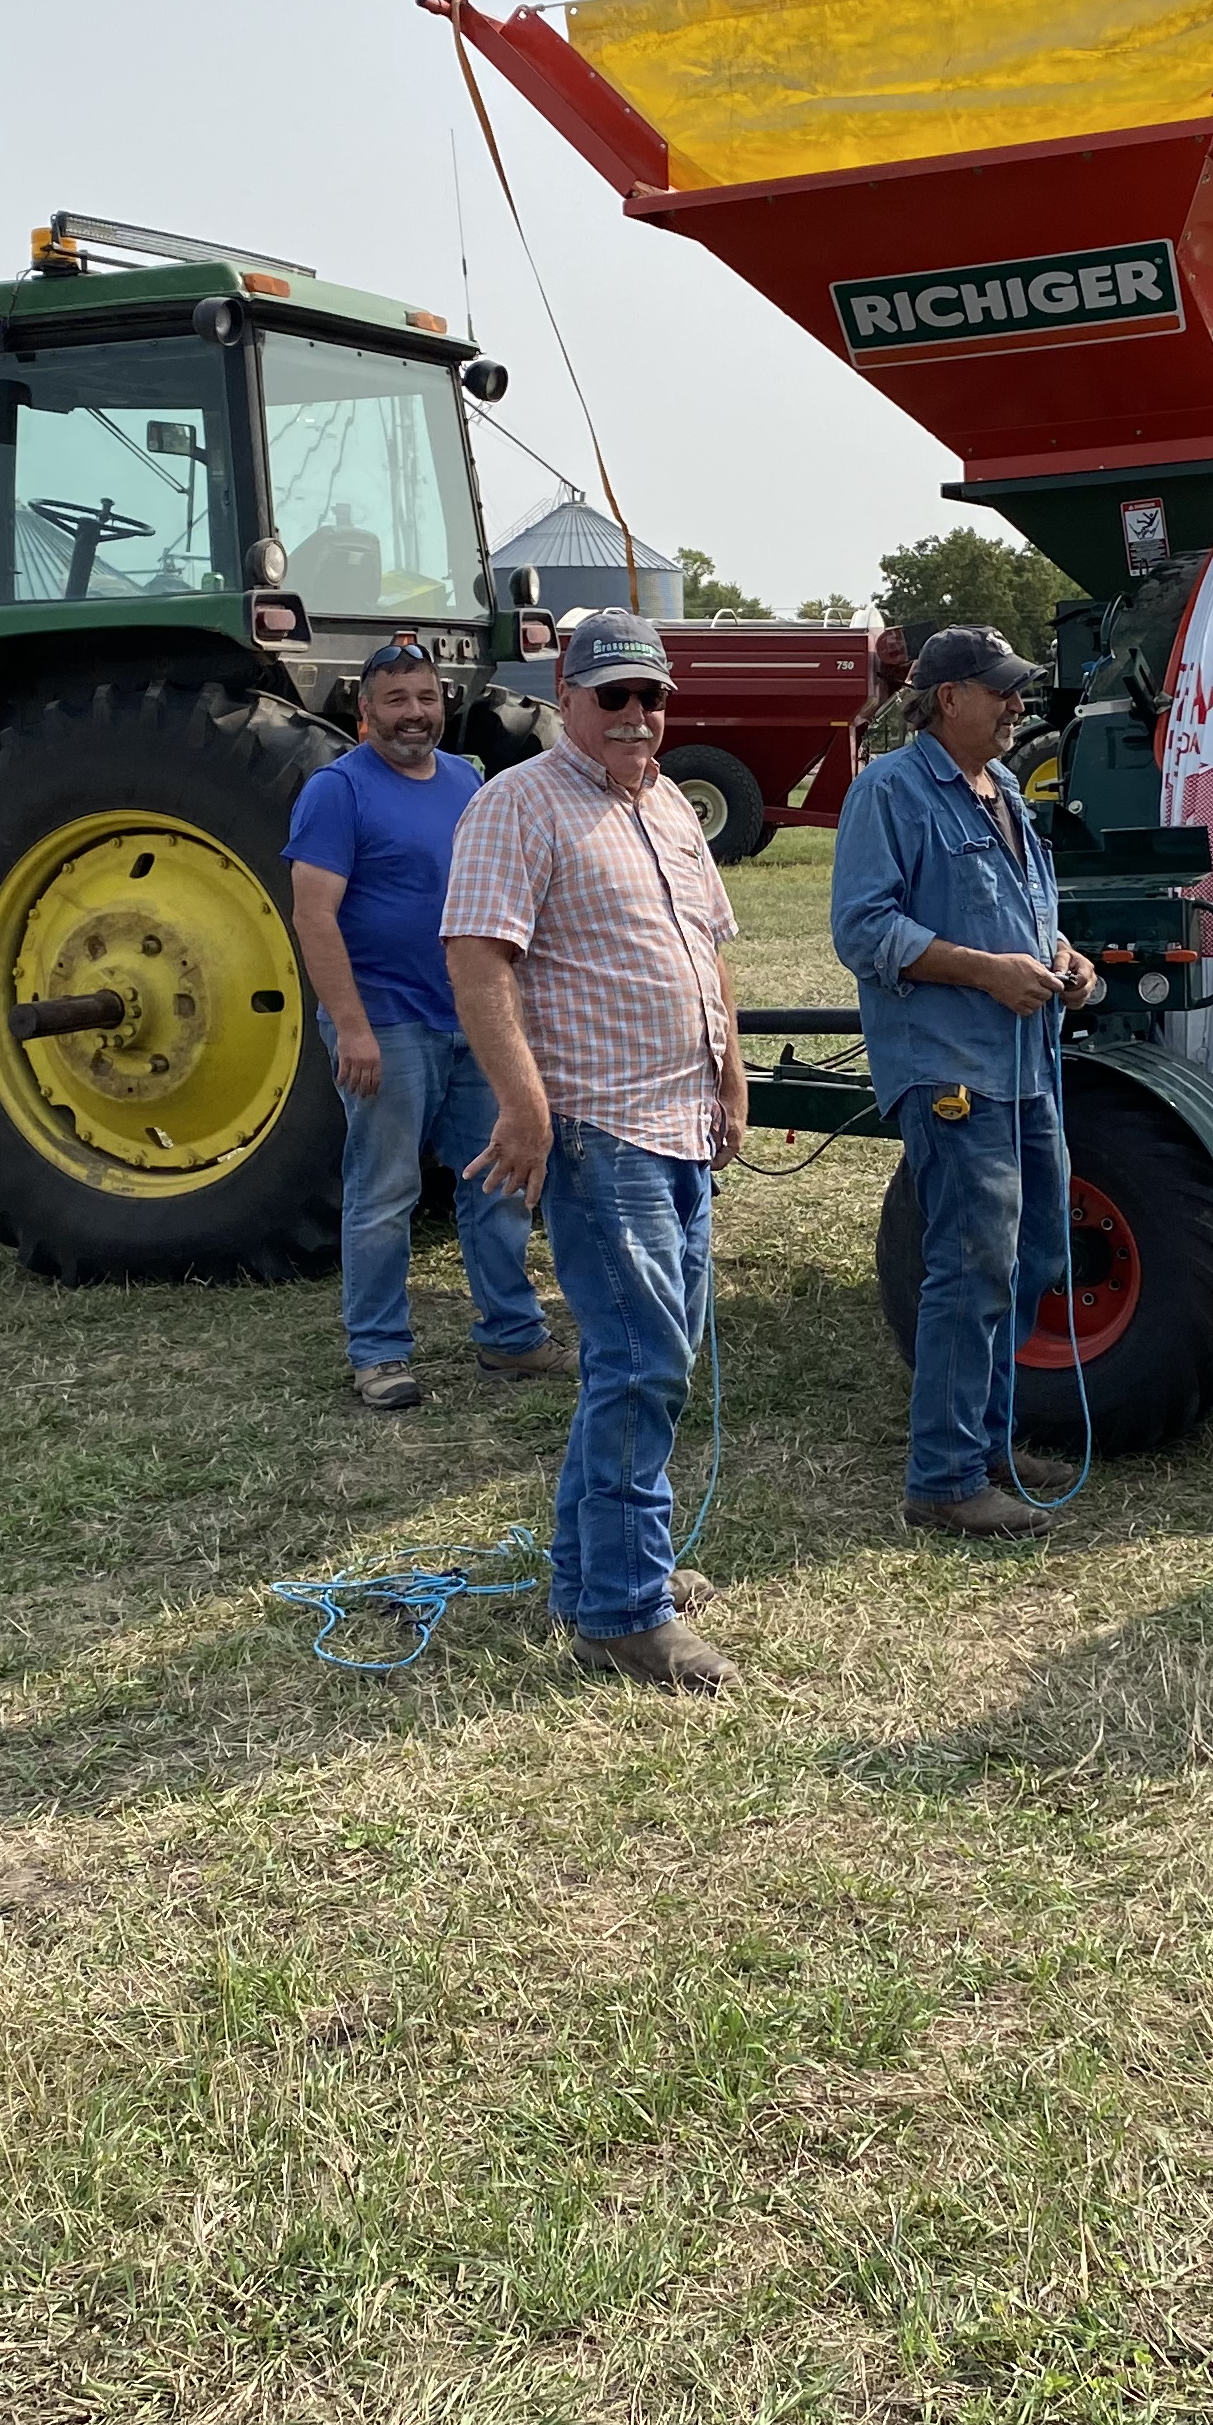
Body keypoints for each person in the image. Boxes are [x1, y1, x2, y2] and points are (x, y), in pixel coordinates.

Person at [442, 612, 753, 1695]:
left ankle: (600, 1569)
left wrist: (730, 1073)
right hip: (600, 1128)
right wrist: (523, 1104)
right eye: (613, 696)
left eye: (652, 697)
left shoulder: (668, 803)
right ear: (566, 697)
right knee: (644, 1360)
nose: (636, 716)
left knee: (647, 1356)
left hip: (682, 1122)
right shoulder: (516, 805)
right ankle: (627, 1610)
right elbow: (477, 960)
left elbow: (706, 950)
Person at [829, 625, 1102, 1539]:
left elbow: (1030, 912)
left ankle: (987, 1442)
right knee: (970, 1263)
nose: (1018, 704)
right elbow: (864, 933)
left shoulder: (1009, 792)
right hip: (951, 1068)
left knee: (1032, 1257)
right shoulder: (890, 792)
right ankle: (942, 1481)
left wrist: (1063, 959)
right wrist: (987, 971)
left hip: (1026, 1065)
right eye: (1002, 691)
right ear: (949, 698)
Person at [285, 636, 567, 1411]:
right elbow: (315, 918)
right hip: (388, 1024)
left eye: (427, 699)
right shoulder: (336, 792)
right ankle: (378, 1354)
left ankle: (510, 1336)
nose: (415, 715)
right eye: (397, 700)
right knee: (385, 1192)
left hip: (473, 1021)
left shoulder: (467, 782)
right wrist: (354, 1027)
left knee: (500, 1180)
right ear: (364, 709)